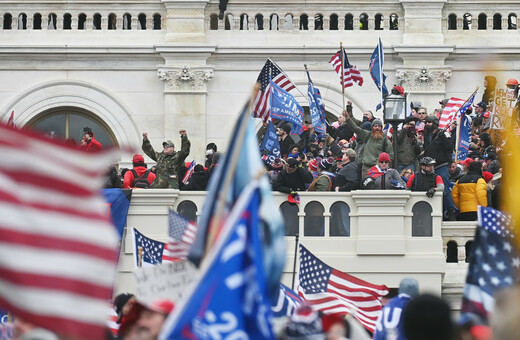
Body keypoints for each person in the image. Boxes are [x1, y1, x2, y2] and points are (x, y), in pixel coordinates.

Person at [422, 114, 456, 220]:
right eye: (426, 122)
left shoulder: (443, 133)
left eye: (429, 122)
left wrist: (444, 137)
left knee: (444, 187)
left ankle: (450, 210)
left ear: (435, 124)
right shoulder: (426, 135)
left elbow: (450, 147)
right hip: (428, 167)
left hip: (441, 165)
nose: (427, 124)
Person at [344, 110, 394, 179]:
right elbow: (356, 129)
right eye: (375, 126)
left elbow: (390, 156)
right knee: (366, 187)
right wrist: (348, 119)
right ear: (372, 128)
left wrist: (383, 165)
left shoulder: (385, 140)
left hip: (379, 169)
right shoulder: (367, 135)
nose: (377, 128)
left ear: (381, 128)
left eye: (379, 126)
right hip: (366, 168)